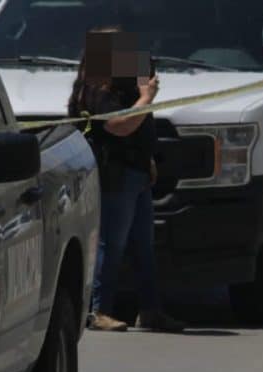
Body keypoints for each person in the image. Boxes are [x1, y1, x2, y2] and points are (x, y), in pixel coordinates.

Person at [69, 29, 185, 333]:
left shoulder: (123, 90)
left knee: (143, 246)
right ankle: (99, 310)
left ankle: (150, 310)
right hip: (115, 176)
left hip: (136, 174)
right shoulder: (95, 92)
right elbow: (118, 126)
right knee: (112, 243)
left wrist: (147, 160)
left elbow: (138, 126)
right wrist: (147, 97)